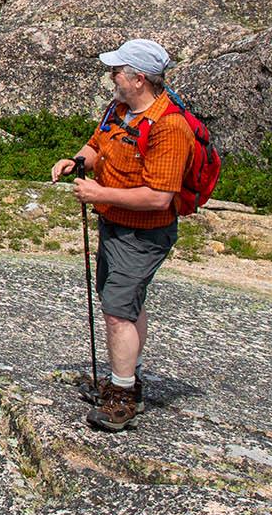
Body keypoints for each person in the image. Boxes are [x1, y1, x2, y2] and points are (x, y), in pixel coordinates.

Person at [48, 38, 191, 432]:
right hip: (114, 224)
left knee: (116, 310)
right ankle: (128, 377)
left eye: (117, 71)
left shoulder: (170, 127)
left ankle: (122, 397)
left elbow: (160, 197)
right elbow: (97, 145)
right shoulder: (121, 109)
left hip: (143, 234)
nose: (112, 76)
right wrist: (78, 161)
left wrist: (97, 193)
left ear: (139, 78)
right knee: (124, 304)